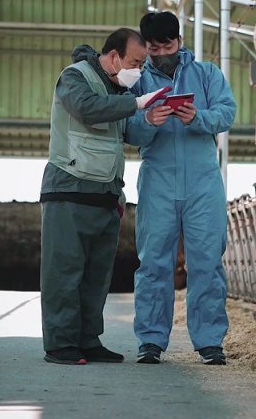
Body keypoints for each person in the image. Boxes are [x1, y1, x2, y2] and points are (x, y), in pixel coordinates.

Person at [39, 28, 168, 365]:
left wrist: (150, 119)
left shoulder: (115, 88)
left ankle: (88, 339)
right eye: (135, 63)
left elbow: (127, 134)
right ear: (114, 57)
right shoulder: (74, 78)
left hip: (105, 195)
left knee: (96, 277)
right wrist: (137, 103)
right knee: (64, 272)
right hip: (69, 189)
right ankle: (60, 344)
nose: (138, 71)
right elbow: (86, 109)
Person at [126, 11, 236, 365]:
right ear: (146, 47)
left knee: (206, 260)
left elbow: (228, 112)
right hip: (158, 178)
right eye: (154, 48)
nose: (161, 53)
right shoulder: (138, 81)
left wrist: (198, 118)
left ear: (180, 42)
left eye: (167, 45)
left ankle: (209, 342)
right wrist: (147, 121)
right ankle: (151, 341)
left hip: (203, 181)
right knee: (153, 262)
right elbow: (126, 130)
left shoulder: (207, 74)